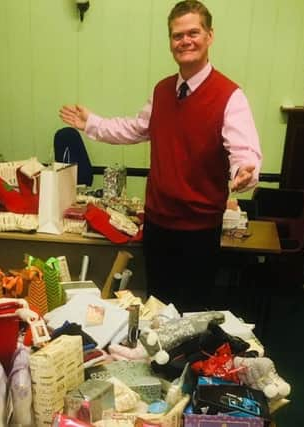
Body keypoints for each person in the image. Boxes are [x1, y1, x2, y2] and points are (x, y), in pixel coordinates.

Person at [59, 0, 262, 311]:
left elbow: (243, 150)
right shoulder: (162, 91)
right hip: (157, 226)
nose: (185, 41)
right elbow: (135, 128)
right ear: (170, 42)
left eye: (193, 33)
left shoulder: (229, 96)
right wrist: (92, 123)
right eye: (177, 35)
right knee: (157, 310)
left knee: (190, 316)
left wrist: (244, 173)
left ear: (210, 35)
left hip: (198, 231)